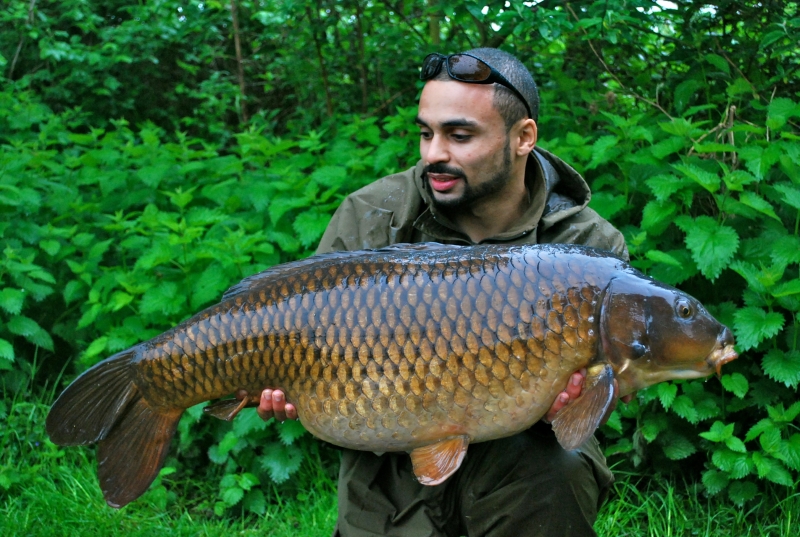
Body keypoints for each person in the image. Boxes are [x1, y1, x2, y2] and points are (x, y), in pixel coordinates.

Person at [256, 48, 629, 537]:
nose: (433, 154)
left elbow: (605, 389)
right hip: (391, 462)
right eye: (426, 133)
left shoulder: (587, 248)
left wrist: (576, 403)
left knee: (559, 466)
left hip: (525, 466)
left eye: (459, 135)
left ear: (523, 138)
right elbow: (304, 334)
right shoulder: (373, 215)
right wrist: (284, 377)